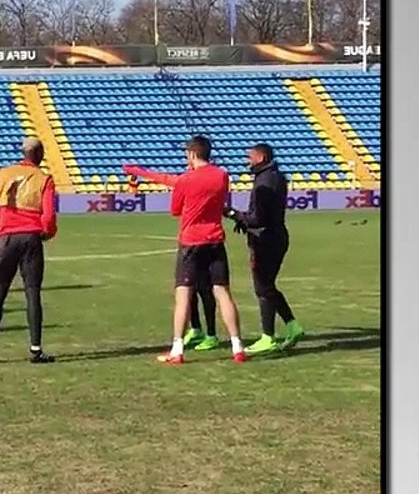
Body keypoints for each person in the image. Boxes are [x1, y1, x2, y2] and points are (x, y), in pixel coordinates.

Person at [127, 135, 247, 365]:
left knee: (183, 296)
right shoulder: (222, 176)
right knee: (223, 293)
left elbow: (175, 210)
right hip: (215, 241)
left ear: (192, 154)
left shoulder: (185, 180)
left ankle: (178, 349)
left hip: (191, 242)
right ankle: (237, 346)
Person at [0, 138, 58, 364]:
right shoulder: (45, 179)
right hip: (31, 238)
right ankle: (35, 349)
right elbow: (49, 216)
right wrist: (47, 232)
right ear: (40, 154)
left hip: (7, 239)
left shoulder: (3, 174)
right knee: (32, 293)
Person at [121, 163, 221, 352]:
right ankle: (197, 328)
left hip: (202, 240)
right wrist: (138, 172)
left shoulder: (202, 180)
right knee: (190, 287)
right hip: (195, 240)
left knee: (205, 289)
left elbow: (174, 202)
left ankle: (211, 334)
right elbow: (165, 179)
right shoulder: (194, 179)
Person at [225, 143, 306, 354]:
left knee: (263, 288)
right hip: (276, 236)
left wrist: (232, 214)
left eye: (249, 157)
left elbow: (257, 218)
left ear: (261, 157)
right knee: (268, 286)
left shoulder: (264, 180)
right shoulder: (276, 176)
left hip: (265, 240)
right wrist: (245, 221)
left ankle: (268, 336)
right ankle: (292, 325)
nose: (247, 161)